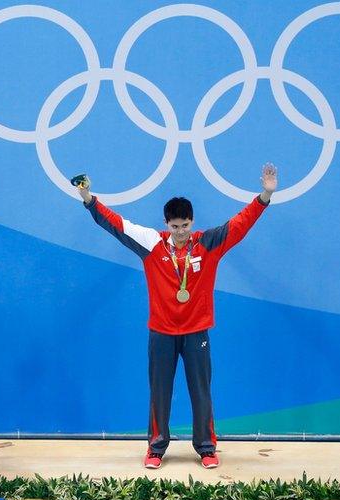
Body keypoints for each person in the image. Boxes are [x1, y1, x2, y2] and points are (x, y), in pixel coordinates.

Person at [75, 164, 278, 469]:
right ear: (166, 224)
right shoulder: (151, 243)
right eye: (175, 226)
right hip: (161, 333)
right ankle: (156, 449)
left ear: (192, 222)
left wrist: (265, 195)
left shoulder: (208, 243)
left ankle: (207, 448)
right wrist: (89, 198)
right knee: (160, 392)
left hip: (197, 332)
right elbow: (116, 224)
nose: (181, 232)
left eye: (185, 225)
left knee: (201, 393)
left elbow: (240, 223)